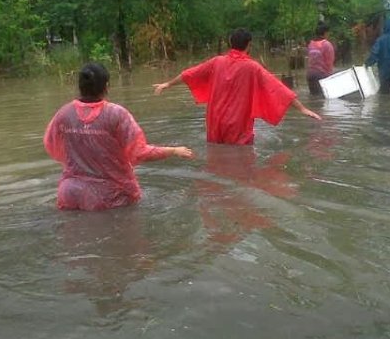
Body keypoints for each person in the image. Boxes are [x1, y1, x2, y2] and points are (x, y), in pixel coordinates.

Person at [44, 62, 193, 211]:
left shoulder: (64, 114)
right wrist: (173, 151)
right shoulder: (116, 114)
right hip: (110, 196)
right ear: (106, 86)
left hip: (70, 193)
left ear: (80, 86)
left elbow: (51, 145)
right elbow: (139, 153)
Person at [153, 28, 321, 145]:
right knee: (242, 164)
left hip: (215, 122)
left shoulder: (216, 62)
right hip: (238, 124)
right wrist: (302, 109)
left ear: (230, 42)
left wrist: (167, 84)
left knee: (217, 159)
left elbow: (189, 74)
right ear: (249, 45)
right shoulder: (252, 67)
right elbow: (278, 89)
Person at [306, 22, 335, 95]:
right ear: (325, 33)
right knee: (322, 100)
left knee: (314, 99)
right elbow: (329, 63)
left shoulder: (311, 44)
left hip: (310, 75)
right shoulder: (327, 44)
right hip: (321, 75)